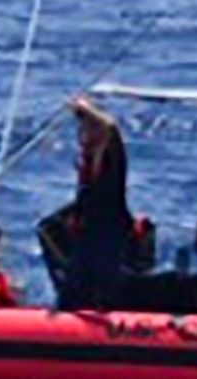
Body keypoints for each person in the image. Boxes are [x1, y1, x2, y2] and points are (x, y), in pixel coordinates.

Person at [43, 93, 136, 308]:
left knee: (107, 290)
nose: (83, 136)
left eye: (88, 129)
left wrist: (83, 109)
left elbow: (109, 127)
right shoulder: (87, 163)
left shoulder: (110, 156)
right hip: (88, 237)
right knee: (73, 293)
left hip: (109, 234)